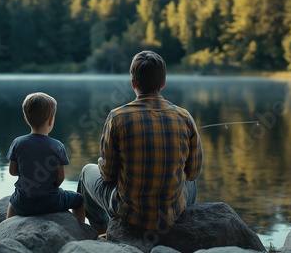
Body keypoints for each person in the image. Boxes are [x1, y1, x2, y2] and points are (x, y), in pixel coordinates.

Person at [77, 50, 203, 234]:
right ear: (163, 83)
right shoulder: (185, 116)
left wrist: (103, 163)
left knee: (86, 172)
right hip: (170, 213)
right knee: (191, 183)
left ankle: (100, 230)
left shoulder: (117, 117)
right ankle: (177, 225)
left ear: (133, 83)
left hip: (129, 212)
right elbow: (193, 172)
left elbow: (108, 174)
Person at [6, 92, 85, 222]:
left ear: (26, 119)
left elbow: (12, 171)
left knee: (12, 202)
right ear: (51, 120)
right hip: (50, 202)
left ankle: (6, 228)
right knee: (79, 200)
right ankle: (82, 231)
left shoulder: (18, 143)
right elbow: (60, 178)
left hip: (24, 202)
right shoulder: (57, 146)